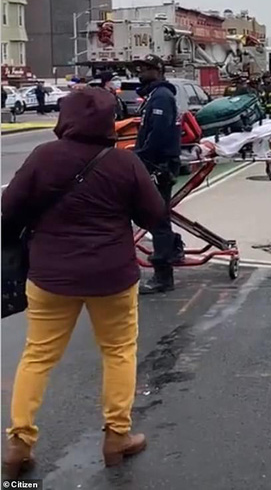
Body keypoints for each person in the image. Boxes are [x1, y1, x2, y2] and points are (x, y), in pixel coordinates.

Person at [1, 87, 165, 477]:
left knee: (38, 355)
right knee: (118, 351)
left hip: (50, 276)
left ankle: (19, 443)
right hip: (113, 275)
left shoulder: (44, 157)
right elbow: (154, 216)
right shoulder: (124, 164)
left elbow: (8, 213)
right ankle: (116, 436)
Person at [133, 54, 184, 294]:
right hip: (155, 163)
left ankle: (163, 275)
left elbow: (159, 134)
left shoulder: (162, 97)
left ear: (159, 71)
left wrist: (142, 157)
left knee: (157, 218)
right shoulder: (154, 96)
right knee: (157, 216)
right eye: (140, 68)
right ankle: (173, 250)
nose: (141, 72)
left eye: (146, 68)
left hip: (159, 165)